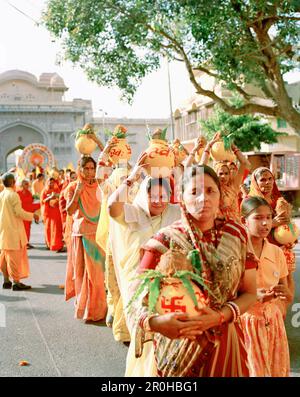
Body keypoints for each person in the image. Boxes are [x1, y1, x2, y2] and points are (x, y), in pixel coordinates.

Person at [126, 165, 257, 377]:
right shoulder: (165, 240)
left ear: (220, 195)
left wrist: (219, 317)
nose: (203, 199)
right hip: (177, 347)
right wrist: (156, 323)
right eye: (194, 192)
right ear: (181, 197)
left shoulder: (237, 235)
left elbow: (251, 292)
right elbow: (134, 293)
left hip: (225, 343)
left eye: (210, 191)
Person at [107, 159, 181, 348]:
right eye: (153, 195)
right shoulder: (134, 213)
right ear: (143, 194)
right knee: (142, 333)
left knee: (162, 339)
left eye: (163, 195)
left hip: (168, 281)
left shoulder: (175, 213)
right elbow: (112, 207)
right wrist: (132, 178)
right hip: (137, 282)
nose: (158, 200)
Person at [240, 196, 291, 376]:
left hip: (273, 322)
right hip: (245, 323)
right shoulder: (236, 251)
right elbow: (224, 294)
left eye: (269, 217)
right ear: (243, 221)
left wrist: (282, 298)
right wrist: (252, 296)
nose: (265, 223)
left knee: (276, 369)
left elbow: (287, 294)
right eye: (258, 218)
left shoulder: (277, 252)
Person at [247, 167, 295, 313]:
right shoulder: (250, 202)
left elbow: (287, 223)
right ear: (255, 182)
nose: (267, 183)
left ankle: (281, 311)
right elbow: (245, 225)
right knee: (263, 280)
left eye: (270, 179)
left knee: (285, 280)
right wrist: (272, 223)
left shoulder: (278, 199)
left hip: (280, 246)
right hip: (259, 246)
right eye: (262, 179)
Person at [65, 156, 107, 322]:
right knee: (86, 275)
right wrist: (77, 192)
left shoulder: (100, 186)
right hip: (82, 235)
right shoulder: (73, 187)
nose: (89, 172)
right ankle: (89, 309)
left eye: (92, 168)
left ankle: (98, 309)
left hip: (100, 234)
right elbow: (69, 211)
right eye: (86, 168)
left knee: (99, 274)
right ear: (80, 169)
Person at [0, 173, 39, 290]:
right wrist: (33, 215)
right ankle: (16, 282)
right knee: (14, 258)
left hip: (3, 230)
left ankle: (6, 280)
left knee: (4, 257)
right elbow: (19, 212)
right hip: (13, 230)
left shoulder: (1, 194)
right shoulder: (13, 195)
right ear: (12, 183)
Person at [200, 134, 251, 222]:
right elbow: (199, 169)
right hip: (218, 228)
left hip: (235, 227)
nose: (224, 176)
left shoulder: (234, 186)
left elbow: (246, 164)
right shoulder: (212, 189)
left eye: (226, 173)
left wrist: (233, 147)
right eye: (220, 173)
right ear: (215, 174)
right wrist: (209, 146)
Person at [41, 178, 64, 252]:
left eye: (53, 183)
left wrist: (56, 196)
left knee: (57, 229)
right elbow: (42, 201)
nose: (51, 184)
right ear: (47, 183)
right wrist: (50, 197)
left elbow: (60, 198)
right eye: (50, 183)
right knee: (48, 229)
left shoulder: (57, 190)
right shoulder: (44, 191)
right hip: (48, 213)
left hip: (56, 212)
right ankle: (49, 244)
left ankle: (58, 245)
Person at [17, 179, 40, 249]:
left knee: (28, 229)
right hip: (21, 214)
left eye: (28, 184)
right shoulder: (18, 193)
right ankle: (22, 243)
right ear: (22, 185)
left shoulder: (29, 193)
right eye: (26, 184)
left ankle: (26, 242)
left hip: (28, 213)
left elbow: (31, 203)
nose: (27, 185)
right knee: (21, 229)